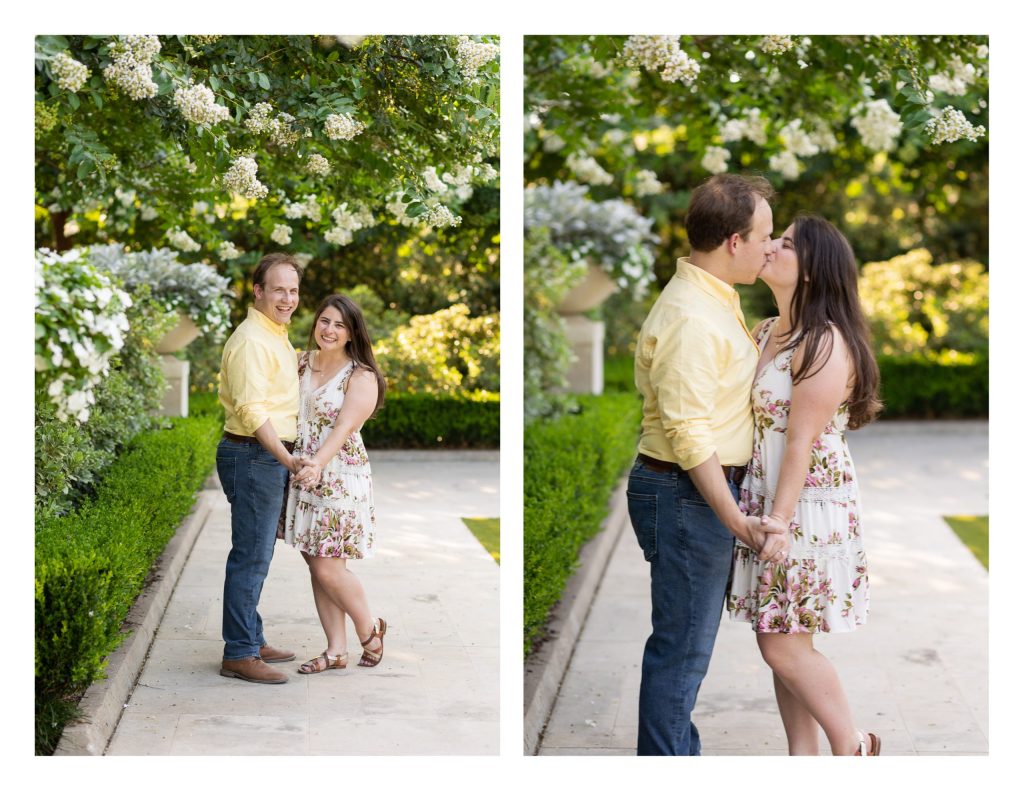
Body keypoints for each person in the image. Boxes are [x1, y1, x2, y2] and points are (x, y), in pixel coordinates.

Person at [628, 173, 787, 756]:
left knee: (687, 645)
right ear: (734, 242)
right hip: (685, 493)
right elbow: (689, 434)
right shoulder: (693, 317)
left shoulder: (715, 298)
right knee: (683, 648)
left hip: (690, 491)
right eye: (766, 235)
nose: (772, 247)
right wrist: (736, 519)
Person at [726, 214, 882, 756]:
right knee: (783, 633)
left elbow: (801, 441)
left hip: (806, 504)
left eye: (786, 243)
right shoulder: (767, 330)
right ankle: (804, 758)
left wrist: (778, 522)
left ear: (813, 271)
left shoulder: (825, 343)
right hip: (769, 495)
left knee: (780, 645)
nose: (770, 246)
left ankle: (852, 746)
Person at [279, 294, 388, 673]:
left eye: (339, 325)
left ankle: (369, 630)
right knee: (315, 563)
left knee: (329, 568)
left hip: (339, 474)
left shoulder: (361, 375)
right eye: (325, 321)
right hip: (300, 470)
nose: (329, 329)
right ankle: (335, 650)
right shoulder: (299, 363)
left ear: (351, 333)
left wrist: (317, 465)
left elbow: (344, 428)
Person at [216, 253, 305, 684]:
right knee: (251, 557)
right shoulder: (253, 339)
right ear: (258, 291)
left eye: (293, 290)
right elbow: (252, 410)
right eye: (278, 290)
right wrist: (286, 459)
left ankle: (251, 635)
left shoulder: (274, 334)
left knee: (257, 553)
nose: (287, 298)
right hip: (255, 455)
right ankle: (240, 653)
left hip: (260, 455)